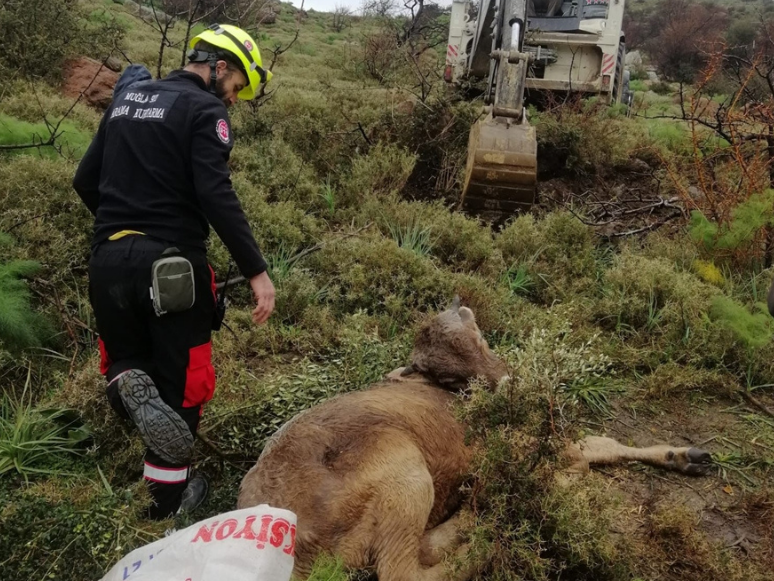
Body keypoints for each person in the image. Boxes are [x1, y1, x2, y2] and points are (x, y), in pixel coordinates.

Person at [73, 24, 275, 520]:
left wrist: (124, 226)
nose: (233, 100)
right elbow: (215, 193)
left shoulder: (126, 101)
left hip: (107, 262)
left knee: (127, 360)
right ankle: (165, 505)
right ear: (220, 67)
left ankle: (123, 385)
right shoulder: (204, 110)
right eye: (235, 88)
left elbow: (84, 180)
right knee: (184, 386)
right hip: (171, 272)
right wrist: (257, 271)